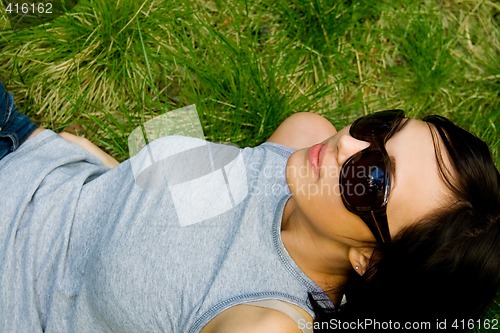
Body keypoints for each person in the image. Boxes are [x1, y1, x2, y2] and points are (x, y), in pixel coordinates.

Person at [0, 80, 498, 333]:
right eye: (382, 129)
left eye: (371, 179)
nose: (346, 144)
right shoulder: (300, 140)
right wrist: (104, 171)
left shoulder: (265, 320)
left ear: (371, 262)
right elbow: (179, 218)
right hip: (25, 145)